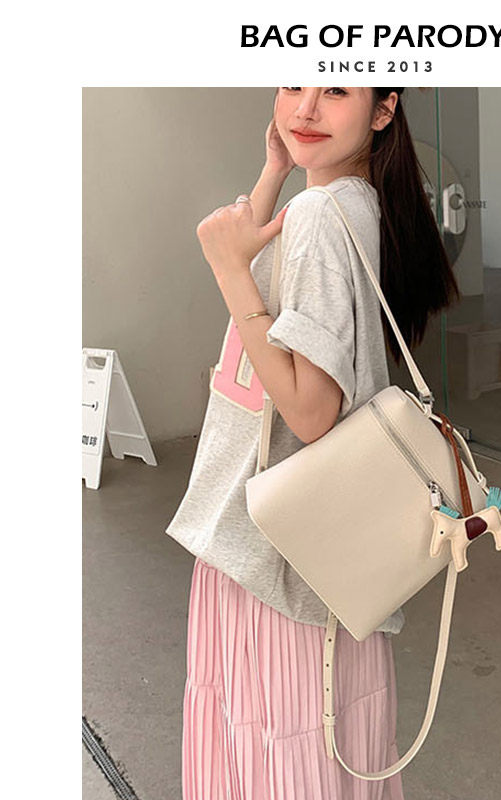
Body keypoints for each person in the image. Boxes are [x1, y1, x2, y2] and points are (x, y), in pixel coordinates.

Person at [165, 87, 460, 800]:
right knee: (319, 756)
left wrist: (229, 271)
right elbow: (267, 270)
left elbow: (309, 411)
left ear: (383, 111)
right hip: (303, 547)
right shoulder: (348, 203)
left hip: (275, 546)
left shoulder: (323, 215)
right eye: (293, 84)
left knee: (274, 758)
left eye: (334, 90)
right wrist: (275, 171)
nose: (304, 108)